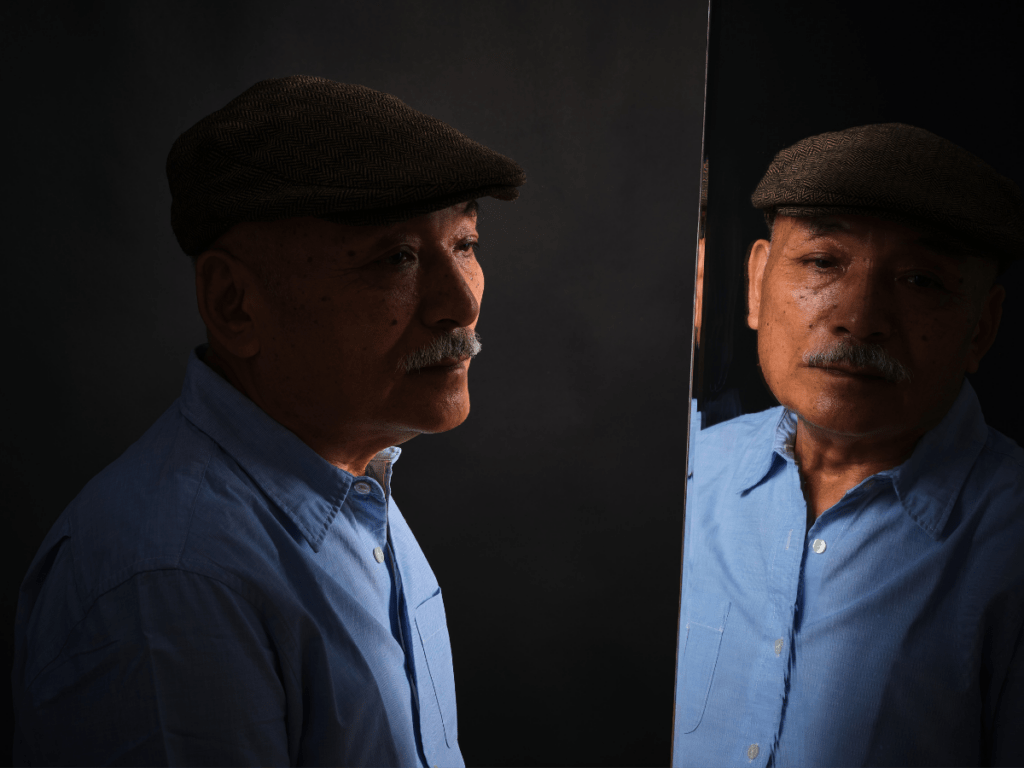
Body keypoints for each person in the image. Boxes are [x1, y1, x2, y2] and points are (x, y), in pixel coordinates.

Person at [12, 75, 525, 767]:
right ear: (234, 304)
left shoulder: (352, 490)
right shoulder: (170, 584)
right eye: (396, 257)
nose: (460, 303)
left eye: (464, 243)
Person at [672, 123, 1024, 767]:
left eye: (920, 280)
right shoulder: (687, 476)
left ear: (983, 327)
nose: (859, 317)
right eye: (823, 262)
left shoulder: (1010, 538)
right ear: (755, 284)